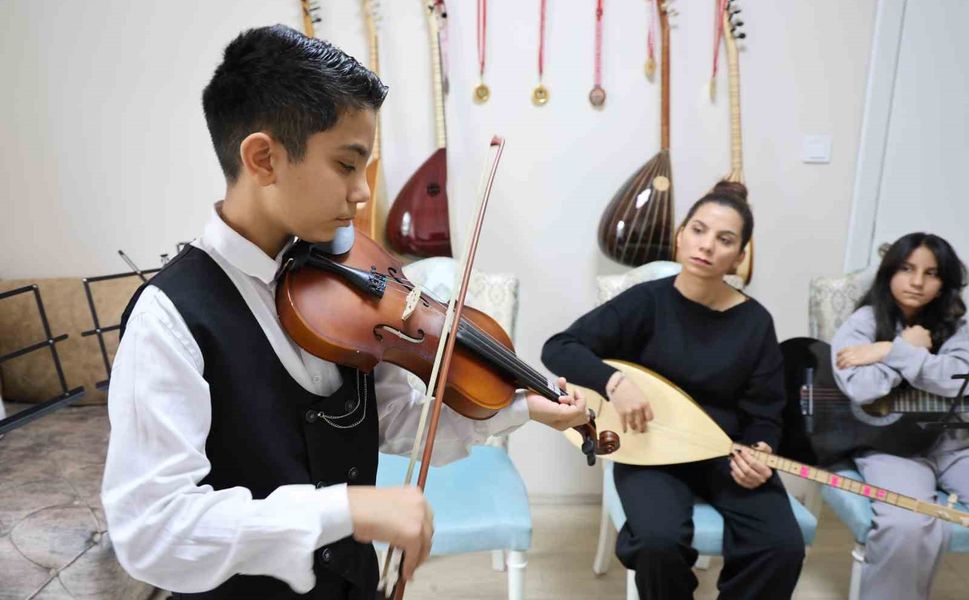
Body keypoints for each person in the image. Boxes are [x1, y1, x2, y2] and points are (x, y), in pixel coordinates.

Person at [100, 25, 588, 600]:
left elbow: (396, 419)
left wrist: (520, 407)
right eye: (347, 164)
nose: (362, 193)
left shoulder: (347, 284)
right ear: (263, 158)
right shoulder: (170, 319)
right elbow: (153, 532)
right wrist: (348, 508)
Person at [542, 181, 805, 600]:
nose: (707, 246)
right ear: (680, 235)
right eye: (698, 230)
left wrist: (761, 448)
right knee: (656, 543)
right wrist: (614, 382)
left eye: (725, 240)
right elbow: (559, 348)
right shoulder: (646, 302)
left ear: (739, 256)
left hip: (727, 452)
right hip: (651, 451)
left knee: (781, 545)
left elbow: (766, 410)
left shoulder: (755, 322)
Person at [831, 232, 969, 600]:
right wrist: (906, 349)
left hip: (956, 446)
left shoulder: (958, 328)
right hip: (892, 448)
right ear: (890, 272)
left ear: (944, 284)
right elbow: (860, 388)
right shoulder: (862, 322)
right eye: (907, 269)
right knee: (907, 523)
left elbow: (957, 380)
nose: (918, 282)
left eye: (932, 273)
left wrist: (888, 352)